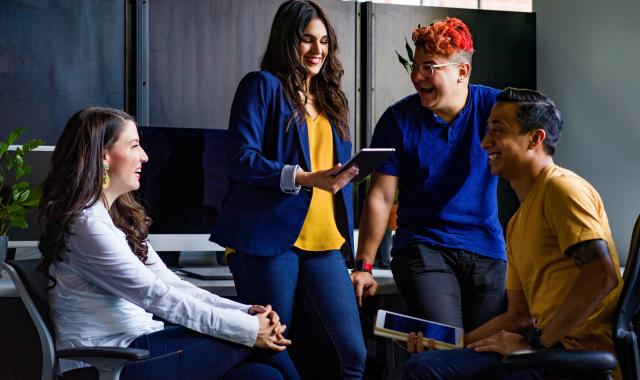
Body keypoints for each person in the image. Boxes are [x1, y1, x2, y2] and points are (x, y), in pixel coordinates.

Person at [38, 107, 300, 380]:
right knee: (267, 346)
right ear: (103, 156)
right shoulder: (87, 225)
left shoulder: (115, 220)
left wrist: (244, 311)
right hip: (105, 362)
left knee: (260, 375)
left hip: (141, 345)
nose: (145, 156)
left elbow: (173, 285)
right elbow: (156, 296)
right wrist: (248, 328)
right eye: (135, 145)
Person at [402, 88, 623, 379]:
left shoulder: (561, 189)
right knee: (428, 365)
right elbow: (518, 316)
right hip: (544, 353)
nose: (484, 143)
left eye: (498, 131)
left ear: (535, 138)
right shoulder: (517, 222)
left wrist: (535, 344)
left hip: (573, 361)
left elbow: (601, 275)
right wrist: (450, 346)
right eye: (486, 130)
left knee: (424, 373)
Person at [209, 1, 366, 378]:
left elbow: (328, 172)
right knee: (271, 348)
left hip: (325, 242)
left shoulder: (331, 99)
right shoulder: (261, 86)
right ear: (287, 40)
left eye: (324, 41)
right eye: (307, 40)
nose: (318, 50)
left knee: (352, 357)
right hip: (268, 239)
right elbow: (240, 158)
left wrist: (344, 175)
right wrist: (304, 177)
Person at [352, 17, 506, 332]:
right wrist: (364, 267)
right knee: (447, 341)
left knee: (485, 351)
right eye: (416, 65)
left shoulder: (497, 108)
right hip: (423, 248)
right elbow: (380, 197)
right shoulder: (398, 120)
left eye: (430, 67)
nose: (417, 76)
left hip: (486, 248)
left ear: (462, 72)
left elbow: (538, 145)